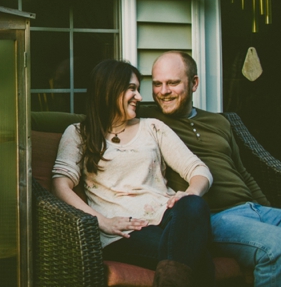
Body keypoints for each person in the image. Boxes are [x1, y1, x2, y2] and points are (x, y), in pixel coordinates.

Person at [52, 59, 215, 287]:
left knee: (194, 204)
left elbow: (199, 170)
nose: (139, 97)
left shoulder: (153, 127)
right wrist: (102, 222)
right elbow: (60, 185)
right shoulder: (79, 133)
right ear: (109, 90)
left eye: (138, 89)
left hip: (167, 217)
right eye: (132, 89)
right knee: (200, 259)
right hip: (121, 231)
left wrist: (188, 193)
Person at [141, 51, 281, 287]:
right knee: (279, 246)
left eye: (173, 83)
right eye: (157, 84)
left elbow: (243, 173)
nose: (163, 91)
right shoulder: (148, 123)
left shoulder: (220, 122)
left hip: (253, 209)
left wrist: (265, 211)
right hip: (215, 218)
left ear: (194, 83)